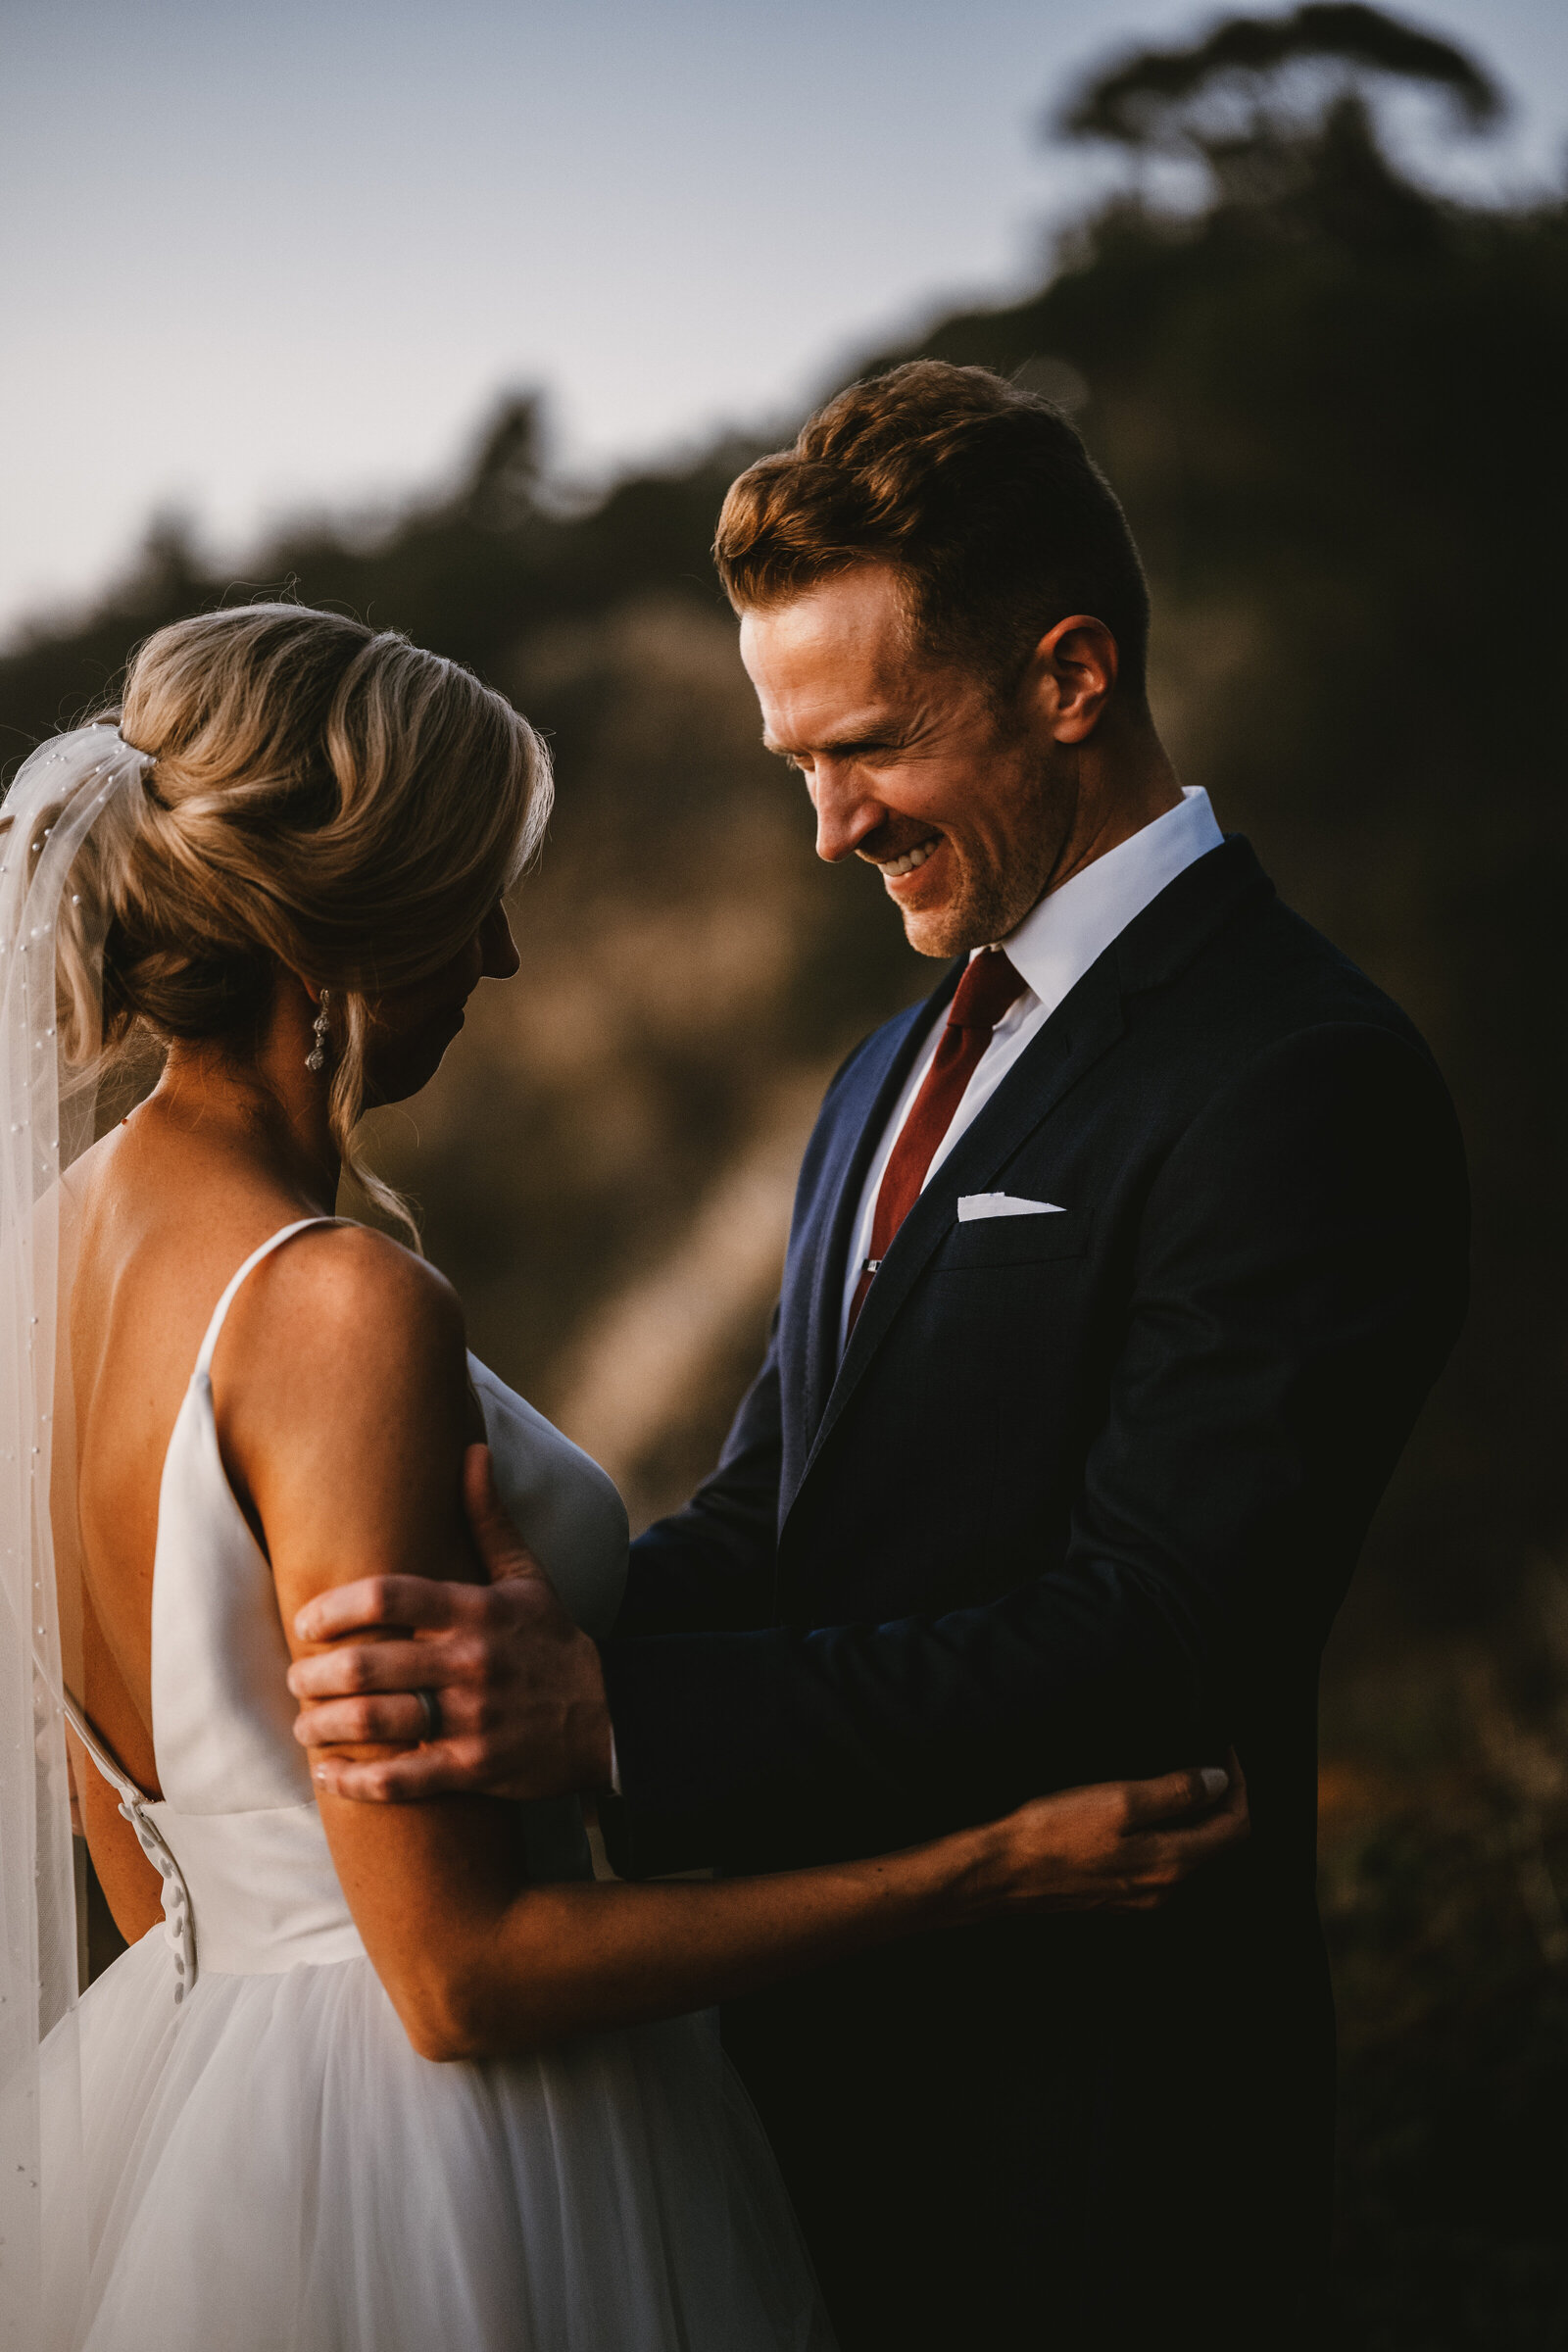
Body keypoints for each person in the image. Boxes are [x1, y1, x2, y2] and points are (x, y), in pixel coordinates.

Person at [291, 363, 1472, 2349]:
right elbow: (781, 1511)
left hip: (1095, 2145)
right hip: (799, 2080)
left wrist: (617, 1732)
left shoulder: (1293, 1075)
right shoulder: (887, 1066)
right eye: (790, 765)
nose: (827, 829)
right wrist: (539, 1635)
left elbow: (1159, 1632)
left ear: (1069, 676)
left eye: (864, 750)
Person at [0, 602, 1247, 2351]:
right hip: (451, 2175)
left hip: (198, 2136)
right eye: (466, 901)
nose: (497, 959)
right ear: (336, 937)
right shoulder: (333, 1303)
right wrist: (989, 1865)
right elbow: (462, 1977)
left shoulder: (35, 1278)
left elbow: (149, 1880)